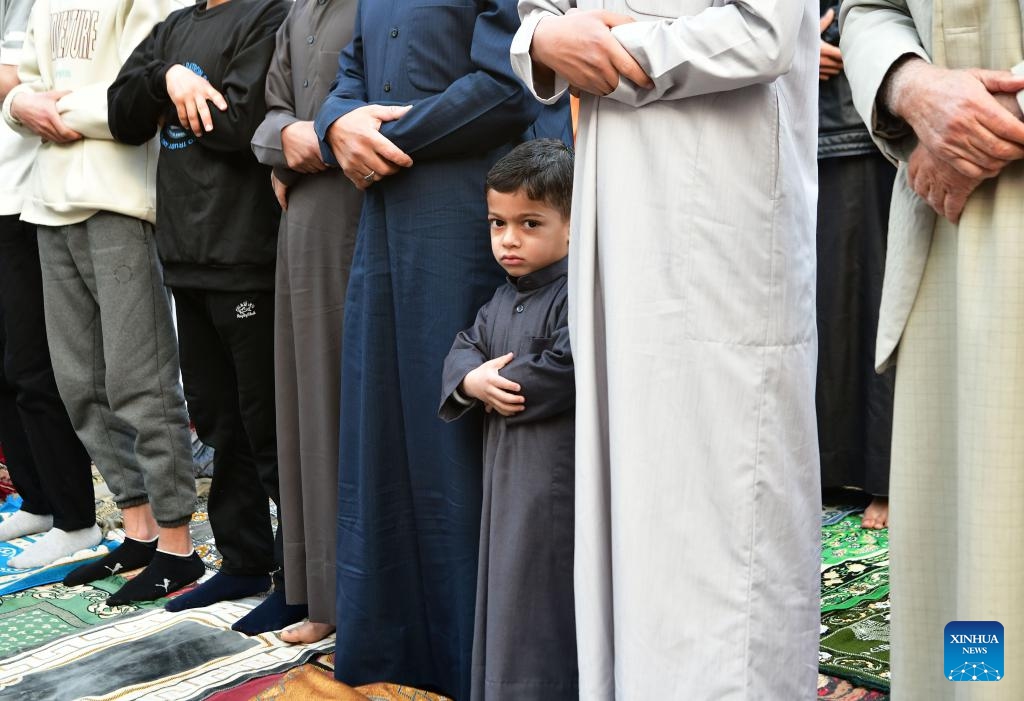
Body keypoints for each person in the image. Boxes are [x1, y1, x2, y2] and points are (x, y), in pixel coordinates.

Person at [511, 2, 821, 698]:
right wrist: (546, 38)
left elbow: (762, 33)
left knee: (725, 493)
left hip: (721, 198)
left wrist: (618, 49)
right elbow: (537, 20)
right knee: (633, 479)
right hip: (614, 202)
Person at [314, 0, 570, 695]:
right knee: (386, 423)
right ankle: (393, 643)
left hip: (470, 218)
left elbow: (510, 76)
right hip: (387, 218)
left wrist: (383, 140)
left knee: (459, 434)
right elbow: (352, 70)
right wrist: (337, 121)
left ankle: (478, 655)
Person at [841, 1, 1024, 697]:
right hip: (948, 224)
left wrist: (981, 122)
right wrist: (911, 86)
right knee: (966, 549)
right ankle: (976, 683)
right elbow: (867, 9)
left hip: (963, 167)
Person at [2, 0, 201, 606]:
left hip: (120, 199)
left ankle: (178, 546)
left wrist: (50, 108)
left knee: (140, 380)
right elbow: (19, 81)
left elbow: (143, 91)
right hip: (47, 201)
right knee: (78, 382)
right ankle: (139, 530)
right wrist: (19, 105)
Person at [107, 0, 295, 633]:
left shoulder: (270, 13)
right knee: (218, 420)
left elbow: (237, 121)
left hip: (247, 254)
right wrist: (169, 80)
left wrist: (177, 88)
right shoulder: (175, 27)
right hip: (185, 257)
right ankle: (244, 560)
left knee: (268, 426)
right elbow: (122, 111)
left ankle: (300, 581)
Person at [439, 139, 576, 701]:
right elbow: (466, 344)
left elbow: (570, 363)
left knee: (542, 588)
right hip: (506, 477)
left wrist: (502, 384)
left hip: (554, 480)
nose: (509, 240)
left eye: (529, 223)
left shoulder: (578, 293)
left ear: (574, 223)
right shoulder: (501, 298)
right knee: (507, 584)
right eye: (498, 223)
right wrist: (471, 380)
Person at [250, 0, 360, 645]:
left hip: (364, 209)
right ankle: (320, 594)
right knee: (305, 407)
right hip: (304, 222)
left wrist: (308, 138)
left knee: (347, 406)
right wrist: (288, 141)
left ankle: (359, 596)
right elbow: (269, 116)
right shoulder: (298, 10)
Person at [0, 0, 98, 568]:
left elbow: (28, 80)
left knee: (35, 369)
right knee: (4, 370)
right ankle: (36, 500)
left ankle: (74, 518)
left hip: (27, 199)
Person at [815, 1, 896, 529]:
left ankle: (886, 476)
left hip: (864, 118)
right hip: (790, 121)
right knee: (815, 308)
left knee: (875, 299)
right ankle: (824, 468)